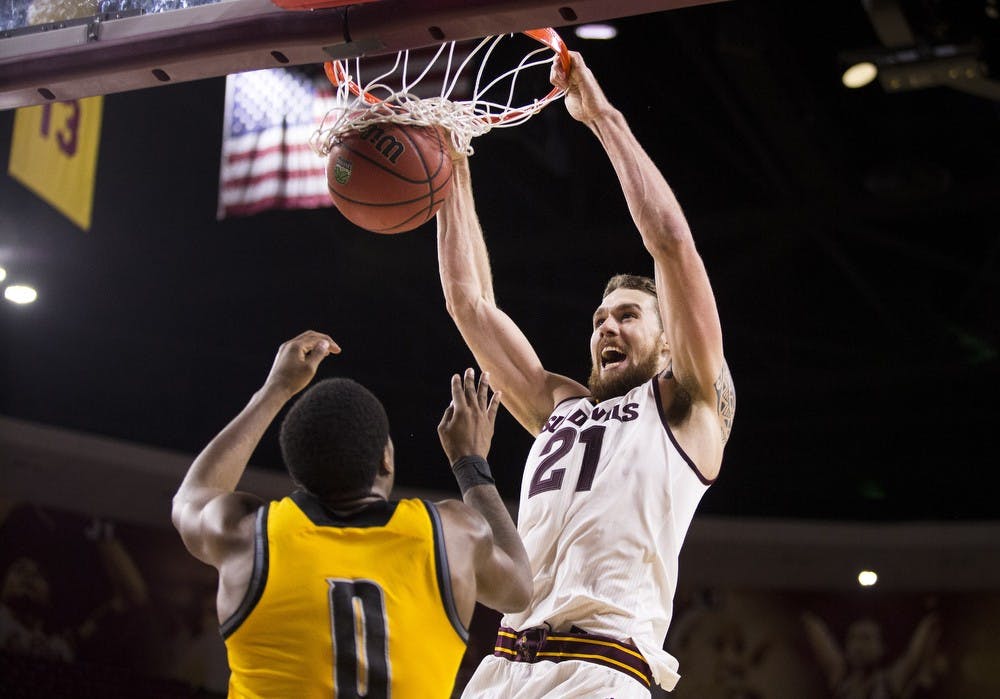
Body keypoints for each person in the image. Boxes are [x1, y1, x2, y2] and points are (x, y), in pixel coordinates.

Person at [436, 49, 734, 697]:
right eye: (600, 318)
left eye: (629, 315)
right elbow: (470, 303)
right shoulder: (559, 406)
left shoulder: (689, 407)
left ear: (666, 340)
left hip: (602, 670)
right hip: (503, 662)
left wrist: (602, 117)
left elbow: (672, 244)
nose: (606, 325)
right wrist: (450, 163)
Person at [171, 330, 531, 698]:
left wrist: (274, 390)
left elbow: (190, 499)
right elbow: (520, 589)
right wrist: (470, 463)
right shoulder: (454, 535)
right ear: (386, 460)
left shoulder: (247, 537)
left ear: (299, 472)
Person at [801, 611, 944, 699]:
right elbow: (815, 629)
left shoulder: (891, 682)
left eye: (866, 638)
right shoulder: (841, 680)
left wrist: (931, 620)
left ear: (881, 648)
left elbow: (913, 657)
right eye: (853, 638)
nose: (859, 647)